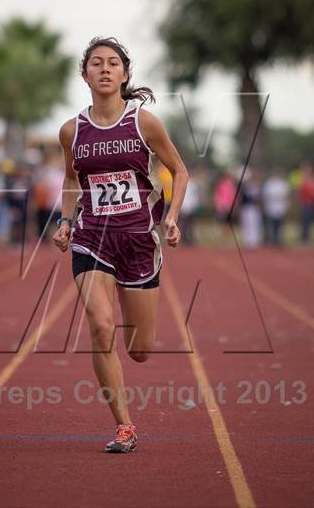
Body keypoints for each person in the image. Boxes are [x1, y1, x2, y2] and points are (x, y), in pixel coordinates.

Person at [52, 37, 188, 453]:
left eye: (113, 63)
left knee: (140, 350)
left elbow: (179, 171)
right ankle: (124, 427)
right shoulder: (71, 131)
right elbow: (72, 181)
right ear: (85, 74)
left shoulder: (143, 123)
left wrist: (172, 216)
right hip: (92, 238)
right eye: (97, 63)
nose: (105, 69)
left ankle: (139, 336)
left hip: (139, 242)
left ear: (125, 74)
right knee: (100, 326)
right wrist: (65, 221)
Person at [262, 169, 290, 245]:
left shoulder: (283, 183)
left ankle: (279, 240)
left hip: (281, 207)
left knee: (280, 225)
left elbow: (286, 195)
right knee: (272, 224)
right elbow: (266, 195)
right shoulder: (269, 184)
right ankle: (272, 240)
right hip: (271, 207)